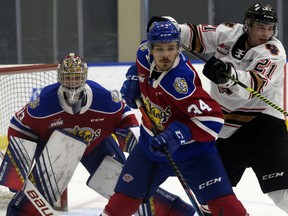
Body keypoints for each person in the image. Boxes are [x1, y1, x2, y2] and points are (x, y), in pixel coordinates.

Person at [0, 53, 195, 216]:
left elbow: (125, 118)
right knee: (29, 205)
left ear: (85, 76)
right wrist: (16, 167)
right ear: (60, 77)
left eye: (76, 77)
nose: (72, 82)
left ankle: (171, 211)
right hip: (54, 151)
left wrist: (138, 148)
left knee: (128, 184)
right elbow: (19, 126)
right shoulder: (44, 103)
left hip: (96, 147)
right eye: (68, 77)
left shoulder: (103, 98)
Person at [102, 20, 249, 216]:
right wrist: (132, 79)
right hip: (150, 150)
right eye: (159, 49)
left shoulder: (181, 82)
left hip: (194, 155)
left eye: (171, 48)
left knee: (226, 208)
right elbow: (137, 68)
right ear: (150, 49)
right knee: (120, 203)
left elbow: (213, 119)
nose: (165, 55)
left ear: (179, 48)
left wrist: (179, 133)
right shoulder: (143, 55)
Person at [174, 2, 288, 214]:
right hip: (228, 131)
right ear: (248, 25)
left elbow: (253, 85)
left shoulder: (273, 52)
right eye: (260, 27)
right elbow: (196, 35)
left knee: (281, 192)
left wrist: (228, 75)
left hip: (264, 126)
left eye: (270, 28)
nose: (265, 33)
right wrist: (171, 27)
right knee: (210, 193)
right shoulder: (228, 33)